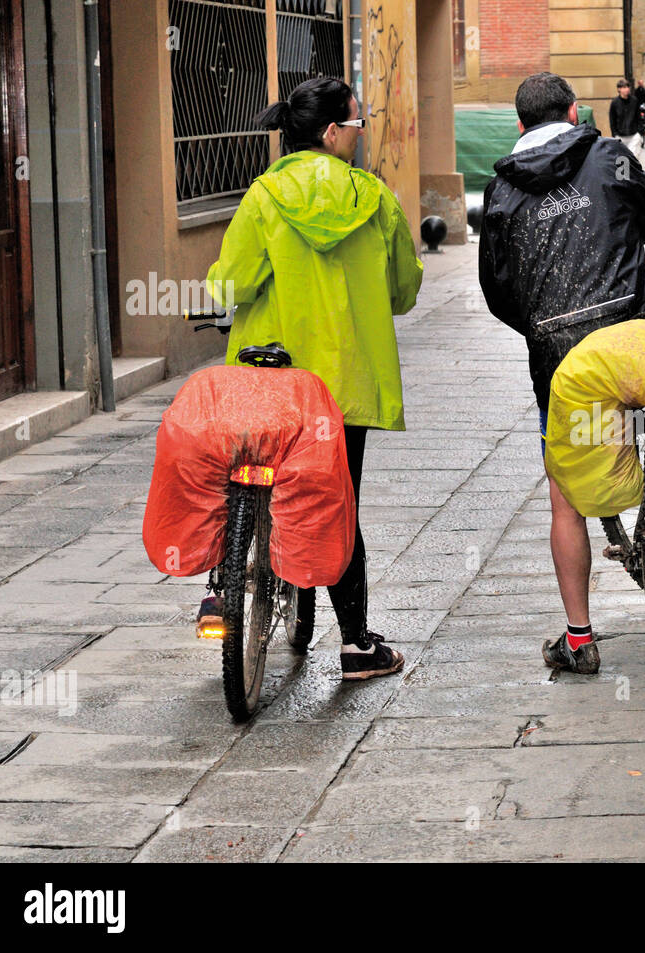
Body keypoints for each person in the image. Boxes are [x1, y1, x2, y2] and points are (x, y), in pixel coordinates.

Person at [207, 77, 422, 681]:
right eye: (357, 125)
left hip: (269, 381)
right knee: (337, 504)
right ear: (331, 133)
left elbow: (232, 285)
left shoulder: (264, 196)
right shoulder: (373, 199)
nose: (359, 135)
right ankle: (356, 644)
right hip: (342, 389)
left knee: (245, 479)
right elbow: (403, 291)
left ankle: (225, 586)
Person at [479, 72, 645, 675]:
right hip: (631, 332)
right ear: (573, 110)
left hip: (562, 361)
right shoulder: (609, 154)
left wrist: (541, 323)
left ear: (519, 126)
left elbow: (497, 289)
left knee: (566, 501)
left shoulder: (502, 193)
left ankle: (579, 638)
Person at [608, 78, 643, 156]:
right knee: (622, 160)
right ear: (619, 89)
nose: (627, 89)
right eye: (624, 87)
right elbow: (612, 120)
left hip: (634, 135)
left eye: (627, 87)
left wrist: (640, 132)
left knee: (633, 159)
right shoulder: (614, 103)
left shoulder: (634, 101)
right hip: (620, 136)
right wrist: (615, 134)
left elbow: (639, 117)